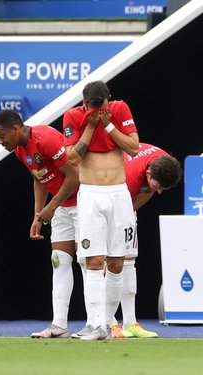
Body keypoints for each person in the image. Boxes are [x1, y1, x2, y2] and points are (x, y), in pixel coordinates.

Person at [0, 109, 80, 338]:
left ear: (16, 128)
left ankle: (99, 324)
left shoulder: (46, 138)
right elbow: (38, 177)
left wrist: (51, 207)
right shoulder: (21, 150)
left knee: (90, 263)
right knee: (59, 261)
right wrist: (38, 214)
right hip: (60, 207)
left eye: (1, 135)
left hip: (83, 202)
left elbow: (75, 176)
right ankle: (59, 326)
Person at [63, 80, 139, 340]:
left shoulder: (119, 110)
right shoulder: (73, 116)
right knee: (94, 261)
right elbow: (72, 158)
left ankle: (107, 324)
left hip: (119, 194)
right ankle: (95, 324)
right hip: (91, 195)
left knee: (117, 263)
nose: (97, 111)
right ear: (84, 103)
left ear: (109, 100)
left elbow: (133, 147)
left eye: (102, 107)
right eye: (91, 108)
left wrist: (107, 124)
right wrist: (91, 125)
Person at [113, 142, 182, 338]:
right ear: (149, 174)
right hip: (108, 205)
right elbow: (117, 206)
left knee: (128, 262)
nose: (160, 192)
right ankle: (107, 321)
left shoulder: (163, 162)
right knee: (106, 263)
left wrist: (128, 216)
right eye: (158, 186)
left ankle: (129, 322)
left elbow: (149, 191)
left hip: (125, 207)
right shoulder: (130, 176)